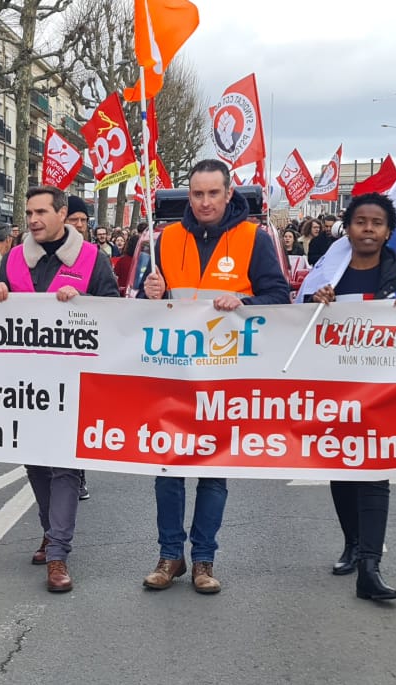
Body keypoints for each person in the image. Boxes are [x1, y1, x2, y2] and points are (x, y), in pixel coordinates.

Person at [139, 158, 292, 594]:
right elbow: (145, 307)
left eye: (212, 193)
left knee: (213, 472)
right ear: (189, 196)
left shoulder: (254, 239)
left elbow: (279, 297)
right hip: (173, 373)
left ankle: (204, 560)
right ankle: (171, 556)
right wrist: (148, 293)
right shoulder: (167, 239)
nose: (204, 202)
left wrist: (244, 301)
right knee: (167, 469)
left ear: (229, 194)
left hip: (228, 375)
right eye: (197, 193)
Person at [0, 186, 121, 592]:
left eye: (41, 211)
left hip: (75, 384)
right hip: (24, 385)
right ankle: (50, 531)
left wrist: (84, 304)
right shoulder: (13, 259)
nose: (32, 219)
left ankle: (58, 553)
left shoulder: (93, 260)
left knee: (64, 466)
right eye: (28, 212)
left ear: (63, 214)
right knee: (36, 464)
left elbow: (115, 312)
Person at [306, 192, 396, 602]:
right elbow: (297, 324)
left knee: (375, 473)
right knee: (342, 469)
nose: (368, 229)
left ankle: (370, 567)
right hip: (337, 388)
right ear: (348, 228)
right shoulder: (327, 275)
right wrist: (314, 304)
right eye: (361, 222)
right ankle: (352, 544)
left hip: (385, 390)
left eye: (377, 223)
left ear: (389, 231)